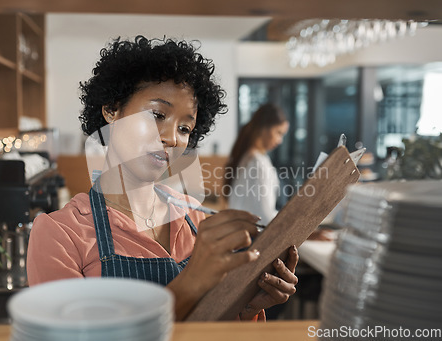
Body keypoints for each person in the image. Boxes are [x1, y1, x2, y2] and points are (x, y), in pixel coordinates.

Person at [26, 36, 298, 321]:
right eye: (157, 114)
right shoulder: (59, 234)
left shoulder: (196, 218)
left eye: (184, 128)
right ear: (111, 110)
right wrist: (192, 281)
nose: (170, 138)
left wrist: (245, 306)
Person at [224, 104, 289, 226]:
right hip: (254, 238)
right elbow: (265, 217)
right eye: (278, 132)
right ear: (264, 128)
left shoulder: (249, 156)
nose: (280, 141)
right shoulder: (257, 163)